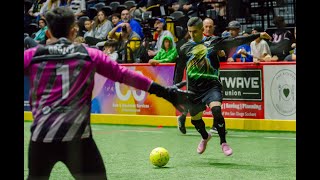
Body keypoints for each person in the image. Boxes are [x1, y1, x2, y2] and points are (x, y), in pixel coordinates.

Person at [24, 7, 192, 180]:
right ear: (74, 29)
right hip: (77, 139)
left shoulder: (31, 56)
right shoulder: (89, 55)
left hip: (42, 137)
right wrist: (165, 92)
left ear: (48, 31)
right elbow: (125, 75)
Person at [176, 17, 271, 156]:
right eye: (189, 32)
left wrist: (258, 35)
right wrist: (176, 87)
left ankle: (223, 142)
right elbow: (179, 69)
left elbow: (235, 41)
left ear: (202, 30)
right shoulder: (184, 47)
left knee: (216, 110)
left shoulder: (213, 42)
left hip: (212, 85)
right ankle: (205, 137)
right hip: (194, 90)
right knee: (195, 120)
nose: (192, 35)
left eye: (195, 31)